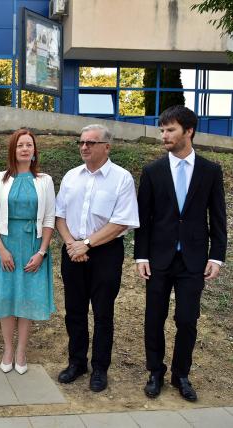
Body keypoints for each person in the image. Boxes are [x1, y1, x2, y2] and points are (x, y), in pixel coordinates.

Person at [135, 105, 226, 402]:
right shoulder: (152, 171)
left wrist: (217, 256)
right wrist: (141, 256)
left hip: (194, 260)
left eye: (170, 130)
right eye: (162, 130)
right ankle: (155, 372)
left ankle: (181, 374)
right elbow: (143, 219)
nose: (164, 135)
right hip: (159, 259)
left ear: (189, 131)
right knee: (153, 318)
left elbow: (218, 217)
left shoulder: (211, 171)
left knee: (187, 319)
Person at [55, 124, 139, 392]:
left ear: (107, 147)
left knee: (103, 313)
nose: (84, 147)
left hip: (105, 253)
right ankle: (77, 362)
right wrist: (72, 244)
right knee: (75, 311)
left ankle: (100, 369)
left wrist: (87, 244)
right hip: (72, 250)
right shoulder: (71, 176)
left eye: (91, 142)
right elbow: (59, 216)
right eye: (81, 142)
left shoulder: (122, 178)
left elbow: (120, 223)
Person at [0, 129, 56, 375]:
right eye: (20, 145)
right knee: (6, 299)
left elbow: (48, 219)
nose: (25, 149)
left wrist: (42, 252)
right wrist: (2, 250)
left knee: (27, 299)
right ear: (13, 150)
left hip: (33, 247)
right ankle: (8, 350)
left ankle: (22, 351)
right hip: (5, 245)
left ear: (35, 151)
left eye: (29, 145)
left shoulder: (44, 181)